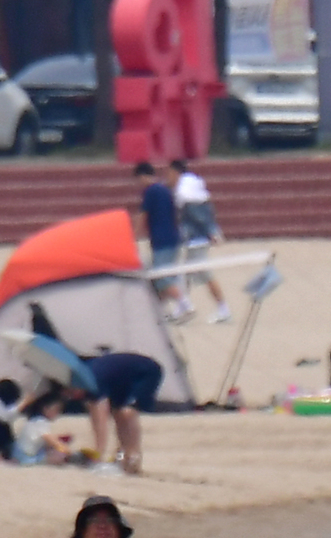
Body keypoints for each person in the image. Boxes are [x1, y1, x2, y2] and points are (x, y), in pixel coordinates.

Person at [80, 351, 164, 476]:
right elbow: (97, 417)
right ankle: (123, 454)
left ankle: (133, 455)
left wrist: (99, 452)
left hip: (145, 372)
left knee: (127, 412)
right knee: (118, 413)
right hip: (121, 378)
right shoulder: (85, 380)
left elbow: (101, 418)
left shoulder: (93, 381)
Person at [171, 160, 231, 323]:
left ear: (176, 172)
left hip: (195, 240)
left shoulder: (185, 193)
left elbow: (198, 216)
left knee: (204, 274)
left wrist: (211, 232)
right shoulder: (196, 189)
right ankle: (182, 306)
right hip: (197, 239)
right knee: (186, 274)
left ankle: (223, 309)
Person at [133, 159, 182, 312]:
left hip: (162, 241)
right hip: (173, 238)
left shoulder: (150, 192)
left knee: (162, 277)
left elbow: (143, 216)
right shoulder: (165, 190)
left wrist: (134, 237)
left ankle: (185, 304)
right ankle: (159, 311)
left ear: (142, 176)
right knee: (160, 277)